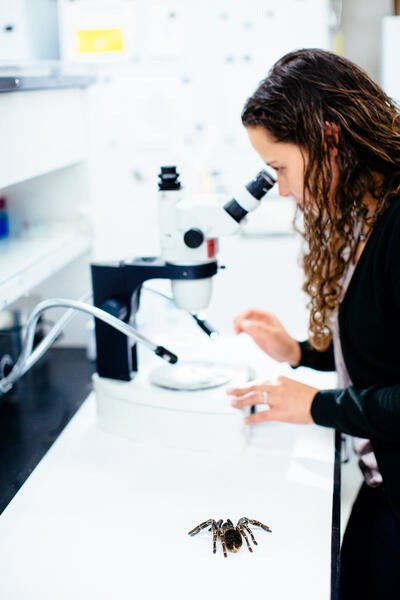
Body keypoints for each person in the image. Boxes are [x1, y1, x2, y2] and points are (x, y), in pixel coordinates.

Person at [227, 48, 400, 599]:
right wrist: (301, 352)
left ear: (328, 139)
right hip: (382, 483)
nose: (280, 189)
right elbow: (385, 345)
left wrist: (317, 406)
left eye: (280, 168)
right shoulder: (368, 210)